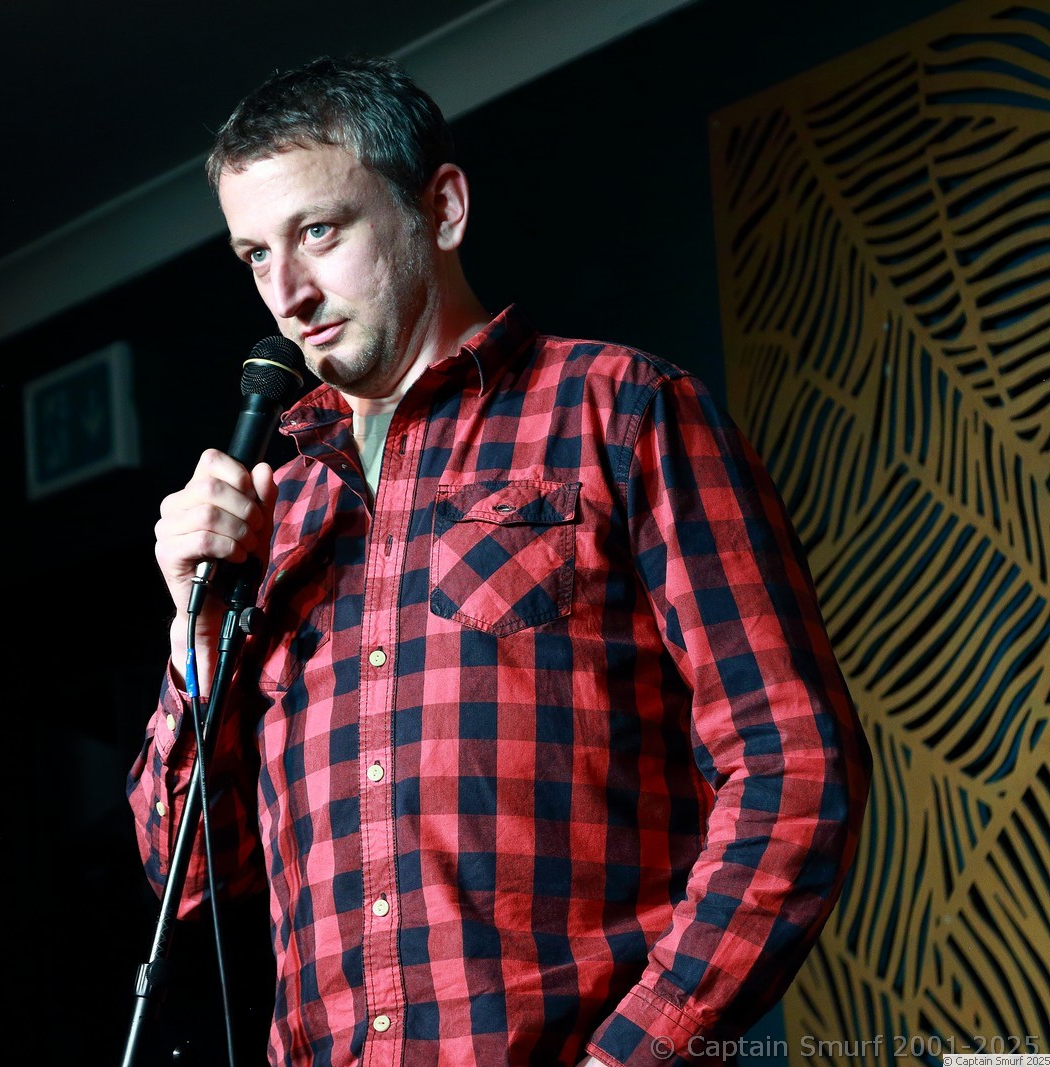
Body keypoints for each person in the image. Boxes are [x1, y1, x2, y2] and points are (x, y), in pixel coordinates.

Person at [127, 53, 870, 1067]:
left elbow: (793, 767)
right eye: (256, 254)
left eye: (319, 231)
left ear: (441, 207)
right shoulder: (277, 512)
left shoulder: (621, 411)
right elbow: (190, 879)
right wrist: (198, 635)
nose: (288, 293)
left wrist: (638, 1053)